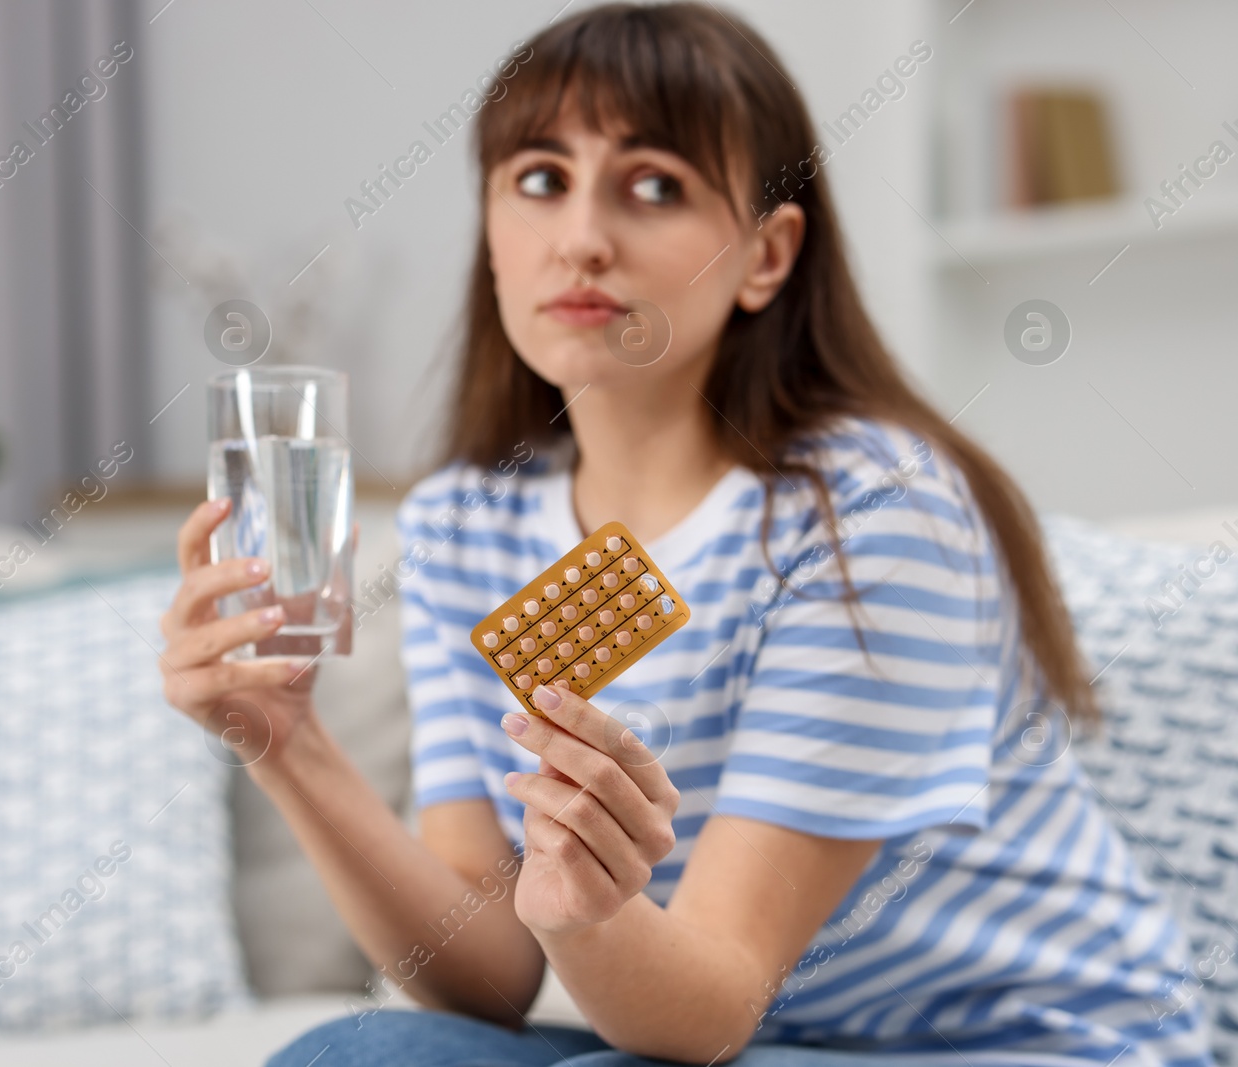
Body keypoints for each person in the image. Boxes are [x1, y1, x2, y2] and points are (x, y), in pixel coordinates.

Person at [158, 4, 1212, 1064]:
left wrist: (586, 910)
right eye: (538, 179)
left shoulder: (871, 512)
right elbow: (483, 974)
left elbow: (712, 998)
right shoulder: (461, 528)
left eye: (653, 184)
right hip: (755, 1040)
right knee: (360, 1054)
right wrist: (288, 745)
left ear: (766, 253)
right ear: (489, 233)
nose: (580, 239)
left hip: (1019, 1045)